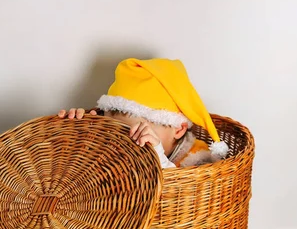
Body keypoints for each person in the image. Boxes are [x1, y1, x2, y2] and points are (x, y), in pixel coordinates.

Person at [58, 58, 228, 168]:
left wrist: (158, 160)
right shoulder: (116, 150)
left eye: (138, 135)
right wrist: (77, 136)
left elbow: (185, 197)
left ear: (178, 130)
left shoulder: (198, 159)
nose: (125, 144)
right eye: (117, 132)